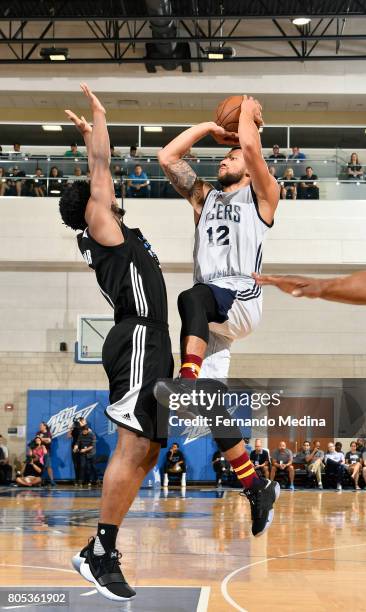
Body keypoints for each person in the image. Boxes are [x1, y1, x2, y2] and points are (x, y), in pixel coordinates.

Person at [61, 83, 173, 601]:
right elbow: (102, 171)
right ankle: (100, 551)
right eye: (99, 195)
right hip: (136, 339)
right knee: (134, 445)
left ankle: (101, 547)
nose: (108, 192)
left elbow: (101, 174)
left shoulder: (109, 233)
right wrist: (99, 119)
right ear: (92, 209)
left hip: (152, 339)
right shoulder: (102, 226)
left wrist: (89, 139)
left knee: (150, 448)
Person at [156, 95, 280, 534]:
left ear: (248, 165)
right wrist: (211, 126)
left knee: (192, 296)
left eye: (230, 156)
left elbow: (249, 147)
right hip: (212, 317)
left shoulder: (263, 194)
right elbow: (167, 156)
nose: (223, 160)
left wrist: (247, 111)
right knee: (210, 407)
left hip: (239, 299)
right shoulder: (204, 198)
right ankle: (256, 485)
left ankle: (184, 378)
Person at [35, 422, 56, 486]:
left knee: (48, 466)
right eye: (39, 425)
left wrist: (41, 439)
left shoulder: (48, 433)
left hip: (46, 452)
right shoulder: (38, 433)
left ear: (45, 426)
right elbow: (36, 441)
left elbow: (49, 440)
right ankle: (40, 481)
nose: (40, 427)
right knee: (40, 466)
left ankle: (52, 481)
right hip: (39, 453)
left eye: (41, 425)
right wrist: (44, 440)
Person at [68, 417, 87, 485]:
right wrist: (70, 429)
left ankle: (81, 480)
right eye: (84, 421)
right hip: (74, 447)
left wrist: (82, 426)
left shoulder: (85, 428)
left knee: (82, 464)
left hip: (82, 447)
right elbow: (69, 436)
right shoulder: (75, 428)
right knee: (76, 464)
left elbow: (88, 433)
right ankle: (77, 479)